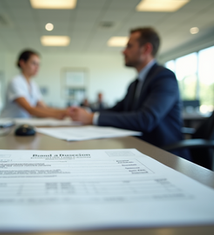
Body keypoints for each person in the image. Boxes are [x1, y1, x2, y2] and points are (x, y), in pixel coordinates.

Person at [68, 27, 189, 159]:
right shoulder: (135, 84)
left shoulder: (164, 78)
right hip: (140, 150)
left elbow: (146, 119)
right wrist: (88, 112)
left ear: (146, 49)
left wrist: (92, 118)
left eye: (129, 46)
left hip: (164, 155)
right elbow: (118, 110)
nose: (123, 51)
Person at [0, 49, 67, 119]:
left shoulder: (34, 85)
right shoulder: (15, 82)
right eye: (34, 63)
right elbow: (30, 109)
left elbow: (43, 107)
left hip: (23, 123)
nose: (37, 67)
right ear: (22, 63)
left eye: (38, 64)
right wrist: (57, 115)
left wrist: (65, 111)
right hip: (8, 123)